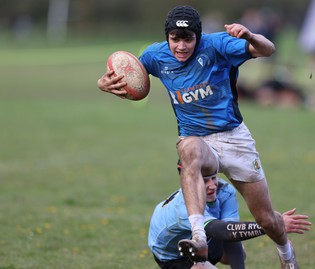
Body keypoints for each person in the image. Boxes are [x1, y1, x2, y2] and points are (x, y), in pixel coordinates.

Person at [97, 5, 303, 268]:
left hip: (233, 138)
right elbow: (126, 76)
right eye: (175, 39)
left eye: (188, 39)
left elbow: (268, 49)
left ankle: (287, 254)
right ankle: (199, 236)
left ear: (198, 37)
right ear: (167, 37)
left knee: (266, 219)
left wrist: (250, 36)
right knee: (190, 150)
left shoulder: (218, 45)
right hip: (196, 138)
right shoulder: (155, 56)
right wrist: (102, 84)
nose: (181, 46)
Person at [148, 161, 311, 269]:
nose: (212, 185)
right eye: (204, 181)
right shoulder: (182, 207)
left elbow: (231, 235)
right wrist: (272, 225)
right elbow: (222, 230)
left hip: (204, 241)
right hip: (173, 256)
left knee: (238, 249)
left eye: (213, 178)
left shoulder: (224, 190)